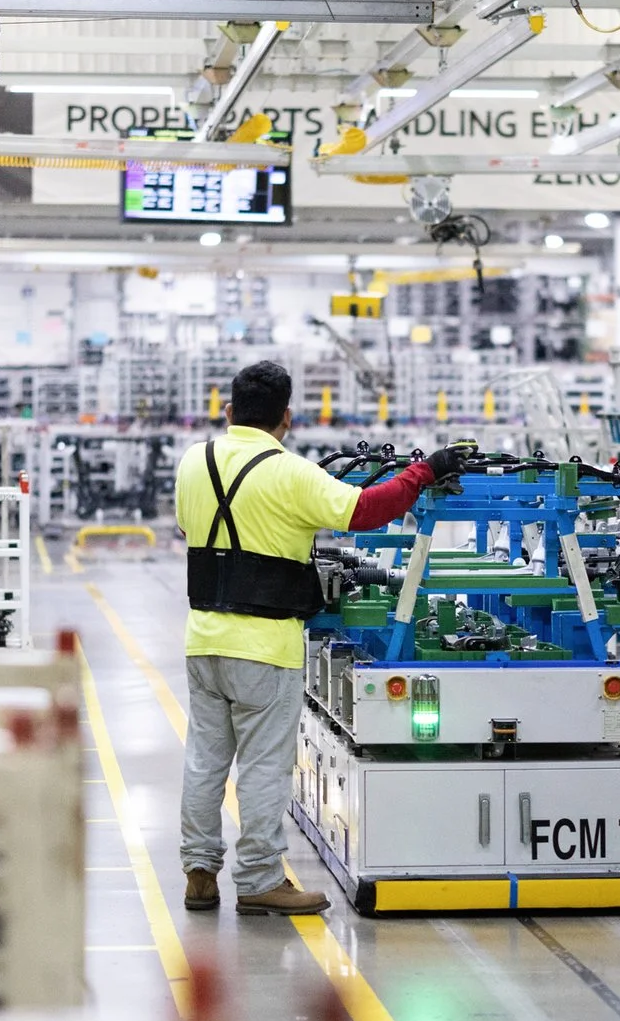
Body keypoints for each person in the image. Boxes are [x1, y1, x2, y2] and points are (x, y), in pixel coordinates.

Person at [175, 361, 464, 914]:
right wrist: (425, 472)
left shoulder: (194, 461)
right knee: (263, 767)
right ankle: (259, 880)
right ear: (287, 418)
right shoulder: (291, 473)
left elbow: (190, 528)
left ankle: (199, 874)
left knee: (204, 763)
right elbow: (366, 510)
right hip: (265, 649)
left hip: (203, 640)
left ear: (230, 411)